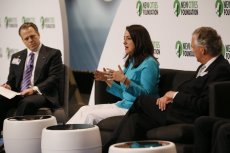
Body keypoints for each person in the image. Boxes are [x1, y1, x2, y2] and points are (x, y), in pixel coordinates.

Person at [102, 26, 230, 152]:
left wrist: (174, 95)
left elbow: (203, 104)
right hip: (177, 108)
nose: (191, 49)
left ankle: (106, 148)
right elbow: (188, 90)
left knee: (141, 100)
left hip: (188, 114)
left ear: (202, 50)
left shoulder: (220, 69)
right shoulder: (204, 67)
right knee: (135, 120)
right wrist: (168, 97)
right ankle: (111, 150)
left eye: (192, 46)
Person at [67, 24, 160, 125]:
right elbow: (125, 94)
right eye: (124, 38)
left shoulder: (149, 63)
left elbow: (147, 96)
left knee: (90, 116)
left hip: (136, 109)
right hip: (123, 105)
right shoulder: (132, 61)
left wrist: (125, 80)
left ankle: (71, 138)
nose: (124, 42)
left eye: (128, 38)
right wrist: (107, 80)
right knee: (84, 109)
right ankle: (62, 134)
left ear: (139, 41)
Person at [0, 22, 63, 132]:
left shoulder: (53, 54)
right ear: (22, 40)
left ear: (38, 34)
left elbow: (54, 78)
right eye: (26, 38)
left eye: (32, 36)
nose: (30, 40)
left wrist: (33, 89)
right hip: (20, 93)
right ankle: (3, 134)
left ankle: (16, 134)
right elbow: (12, 79)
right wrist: (8, 86)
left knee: (26, 102)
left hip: (42, 94)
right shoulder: (16, 56)